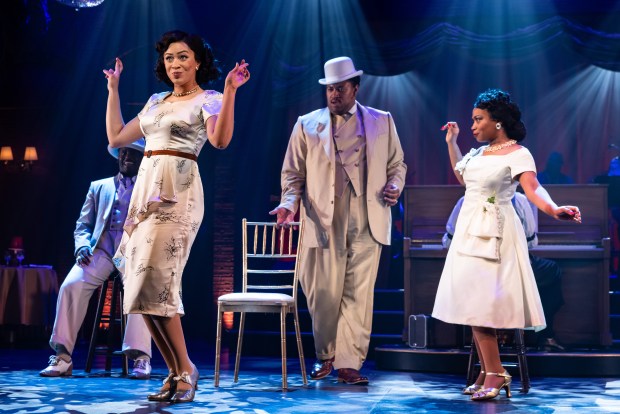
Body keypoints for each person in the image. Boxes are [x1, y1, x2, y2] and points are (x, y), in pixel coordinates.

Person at [102, 30, 250, 403]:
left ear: (197, 61)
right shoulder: (155, 101)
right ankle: (176, 370)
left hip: (178, 191)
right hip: (145, 192)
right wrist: (114, 90)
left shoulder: (210, 98)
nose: (176, 64)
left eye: (183, 57)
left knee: (160, 281)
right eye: (169, 58)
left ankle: (185, 369)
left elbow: (220, 141)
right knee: (138, 288)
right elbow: (117, 137)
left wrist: (230, 91)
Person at [432, 89, 581, 401]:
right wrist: (452, 143)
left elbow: (533, 188)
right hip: (469, 231)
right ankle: (488, 371)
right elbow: (464, 179)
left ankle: (497, 372)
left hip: (496, 233)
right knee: (472, 304)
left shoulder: (518, 154)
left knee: (484, 306)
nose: (472, 125)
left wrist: (554, 209)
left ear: (497, 122)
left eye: (478, 119)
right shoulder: (476, 154)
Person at [269, 56, 406, 385]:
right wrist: (289, 204)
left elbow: (397, 164)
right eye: (329, 88)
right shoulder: (306, 124)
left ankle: (349, 363)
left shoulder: (382, 121)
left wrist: (394, 185)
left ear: (355, 87)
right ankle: (326, 355)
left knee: (359, 294)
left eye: (340, 88)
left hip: (367, 212)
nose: (333, 94)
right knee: (323, 292)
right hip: (322, 217)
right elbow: (292, 174)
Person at [40, 140, 153, 379]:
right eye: (123, 153)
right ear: (118, 157)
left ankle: (140, 357)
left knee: (142, 288)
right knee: (71, 285)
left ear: (142, 158)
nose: (126, 158)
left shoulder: (149, 188)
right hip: (100, 251)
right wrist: (81, 246)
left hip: (132, 252)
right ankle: (62, 356)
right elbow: (83, 225)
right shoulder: (99, 186)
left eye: (132, 154)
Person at [443, 192, 565, 352]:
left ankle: (473, 336)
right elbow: (531, 241)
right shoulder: (518, 200)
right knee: (551, 270)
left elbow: (449, 241)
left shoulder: (465, 200)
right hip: (509, 272)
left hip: (476, 272)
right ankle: (544, 335)